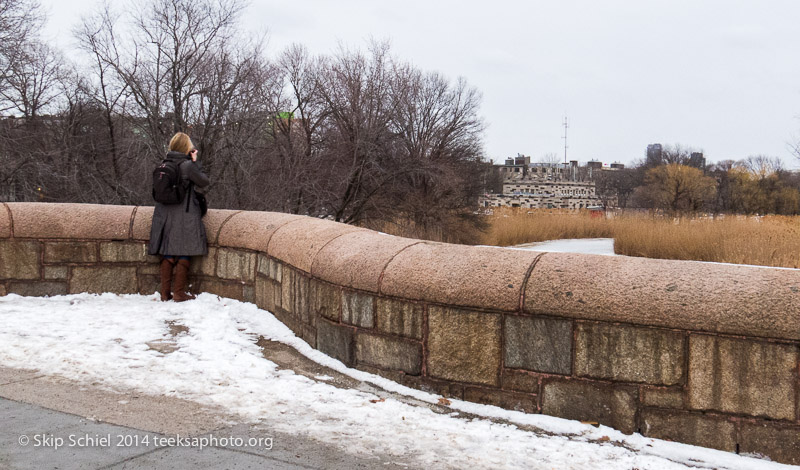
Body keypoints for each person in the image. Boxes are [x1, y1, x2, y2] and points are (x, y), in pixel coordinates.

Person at [148, 132, 210, 302]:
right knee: (184, 251)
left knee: (168, 252)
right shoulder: (187, 166)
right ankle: (179, 293)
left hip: (164, 213)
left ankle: (164, 292)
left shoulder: (164, 164)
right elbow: (204, 181)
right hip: (184, 213)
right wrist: (196, 163)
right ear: (186, 148)